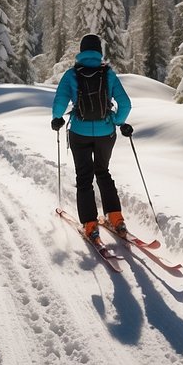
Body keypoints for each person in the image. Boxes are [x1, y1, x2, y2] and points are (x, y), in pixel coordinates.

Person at [51, 33, 133, 243]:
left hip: (79, 132)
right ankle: (116, 217)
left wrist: (57, 119)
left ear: (82, 51)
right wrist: (116, 120)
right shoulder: (108, 75)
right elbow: (125, 104)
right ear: (99, 52)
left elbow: (60, 101)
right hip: (106, 133)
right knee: (103, 172)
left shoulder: (71, 75)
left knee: (84, 177)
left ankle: (90, 224)